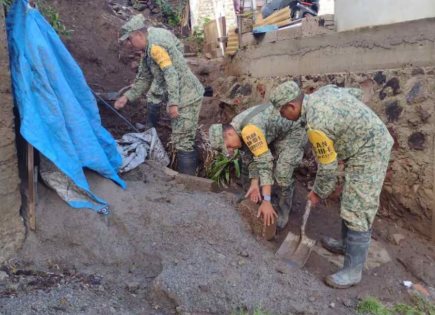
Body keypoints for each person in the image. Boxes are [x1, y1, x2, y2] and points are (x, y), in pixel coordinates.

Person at [269, 81, 393, 289]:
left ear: (292, 106)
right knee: (350, 198)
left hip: (370, 150)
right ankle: (346, 245)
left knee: (358, 206)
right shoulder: (323, 92)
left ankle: (353, 272)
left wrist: (318, 192)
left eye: (283, 113)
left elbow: (328, 167)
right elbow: (354, 93)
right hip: (363, 144)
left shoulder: (316, 125)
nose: (284, 117)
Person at [114, 14, 204, 175]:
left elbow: (171, 74)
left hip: (187, 96)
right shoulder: (148, 47)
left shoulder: (155, 47)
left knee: (183, 141)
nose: (129, 44)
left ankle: (191, 183)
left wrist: (174, 103)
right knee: (180, 139)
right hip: (181, 94)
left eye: (129, 39)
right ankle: (189, 178)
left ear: (139, 35)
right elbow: (144, 78)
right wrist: (126, 97)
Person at [208, 103, 306, 228]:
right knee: (246, 165)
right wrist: (254, 183)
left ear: (229, 134)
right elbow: (250, 156)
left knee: (283, 172)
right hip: (269, 130)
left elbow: (264, 163)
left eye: (228, 146)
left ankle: (282, 212)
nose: (230, 150)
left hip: (292, 129)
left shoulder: (249, 131)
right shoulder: (235, 128)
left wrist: (266, 199)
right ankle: (253, 197)